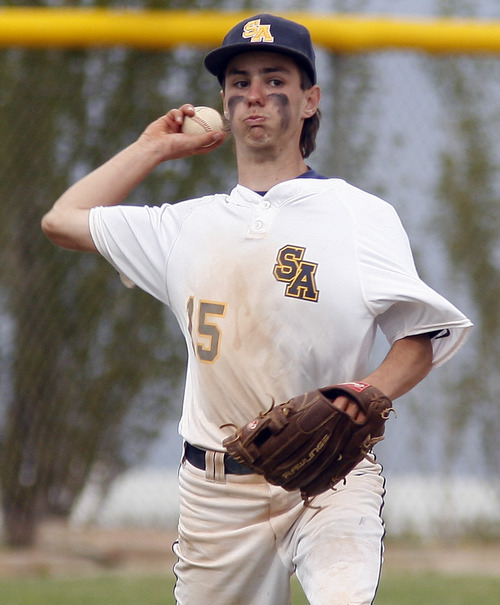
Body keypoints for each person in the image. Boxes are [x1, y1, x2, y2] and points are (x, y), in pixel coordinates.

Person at [42, 13, 472, 605]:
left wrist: (362, 395)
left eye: (275, 79)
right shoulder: (184, 226)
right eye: (240, 81)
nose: (255, 94)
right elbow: (60, 221)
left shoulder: (357, 214)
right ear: (224, 100)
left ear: (311, 99)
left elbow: (421, 336)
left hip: (330, 477)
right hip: (216, 494)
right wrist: (153, 147)